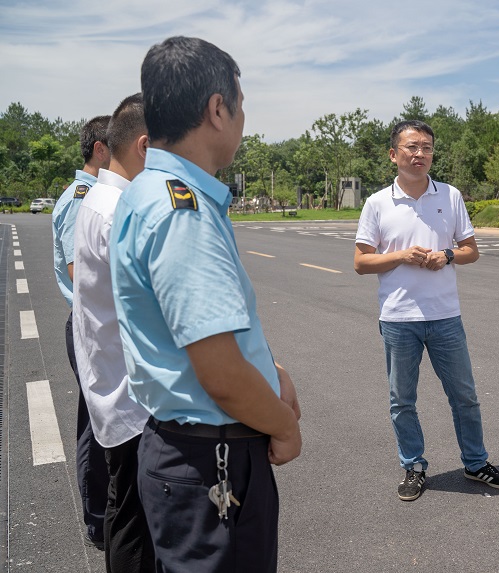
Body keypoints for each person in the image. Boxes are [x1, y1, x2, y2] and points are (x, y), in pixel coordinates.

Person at [110, 36, 301, 572]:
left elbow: (195, 338)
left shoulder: (150, 191)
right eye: (240, 105)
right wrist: (283, 425)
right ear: (218, 108)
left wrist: (270, 369)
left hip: (187, 452)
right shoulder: (183, 211)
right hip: (211, 460)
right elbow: (217, 372)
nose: (243, 120)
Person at [354, 120, 499, 502]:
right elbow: (361, 262)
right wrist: (401, 256)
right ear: (394, 154)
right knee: (402, 400)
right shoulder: (378, 203)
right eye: (411, 147)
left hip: (445, 317)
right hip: (398, 319)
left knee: (464, 395)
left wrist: (446, 255)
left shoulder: (450, 195)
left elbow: (471, 250)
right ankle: (413, 466)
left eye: (426, 147)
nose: (419, 153)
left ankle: (475, 463)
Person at [72, 93, 154, 572]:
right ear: (145, 147)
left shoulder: (100, 200)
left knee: (125, 512)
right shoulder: (121, 211)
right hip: (133, 398)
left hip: (113, 384)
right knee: (135, 523)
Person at [51, 114, 111, 550]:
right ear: (100, 149)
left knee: (101, 416)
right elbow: (80, 274)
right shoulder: (83, 197)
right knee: (95, 421)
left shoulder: (89, 194)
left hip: (95, 322)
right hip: (89, 322)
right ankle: (96, 520)